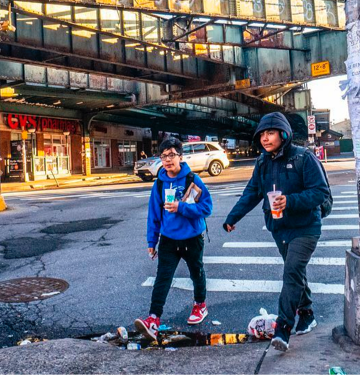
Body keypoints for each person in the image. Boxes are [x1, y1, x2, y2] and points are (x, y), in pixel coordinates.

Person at [223, 112, 329, 352]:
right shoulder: (262, 163)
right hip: (279, 227)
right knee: (296, 273)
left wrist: (289, 201)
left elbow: (320, 192)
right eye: (262, 134)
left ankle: (283, 328)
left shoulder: (304, 158)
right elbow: (251, 193)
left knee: (291, 272)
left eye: (270, 133)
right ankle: (307, 313)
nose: (265, 138)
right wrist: (232, 217)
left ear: (284, 134)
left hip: (305, 227)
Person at [134, 137, 213, 341]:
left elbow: (207, 207)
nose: (168, 160)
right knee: (163, 277)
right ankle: (154, 319)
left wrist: (181, 207)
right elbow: (154, 215)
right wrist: (152, 242)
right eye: (164, 156)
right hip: (168, 239)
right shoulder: (159, 184)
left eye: (171, 155)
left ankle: (200, 304)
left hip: (192, 237)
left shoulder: (192, 180)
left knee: (196, 272)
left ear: (180, 156)